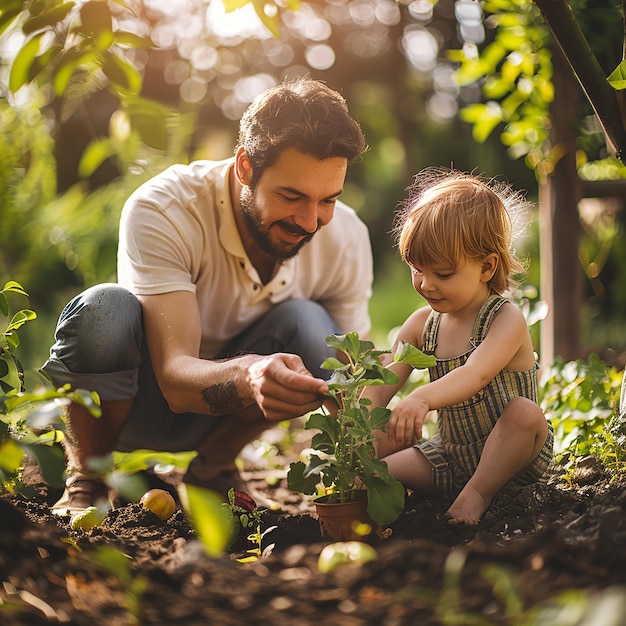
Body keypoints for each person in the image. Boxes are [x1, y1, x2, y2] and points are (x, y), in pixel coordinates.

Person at [41, 78, 373, 514]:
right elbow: (176, 378)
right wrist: (252, 375)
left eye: (328, 200)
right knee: (104, 308)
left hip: (224, 420)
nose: (311, 222)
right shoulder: (165, 208)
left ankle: (213, 468)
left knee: (313, 327)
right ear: (245, 168)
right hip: (133, 402)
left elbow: (355, 380)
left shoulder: (346, 236)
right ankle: (90, 477)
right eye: (291, 196)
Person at [366, 168, 554, 525]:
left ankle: (477, 495)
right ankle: (398, 500)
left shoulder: (504, 318)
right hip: (448, 459)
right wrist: (358, 423)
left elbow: (475, 374)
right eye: (417, 269)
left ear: (486, 267)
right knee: (373, 467)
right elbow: (384, 382)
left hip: (514, 459)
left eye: (443, 274)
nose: (426, 284)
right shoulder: (422, 325)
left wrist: (420, 398)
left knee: (525, 413)